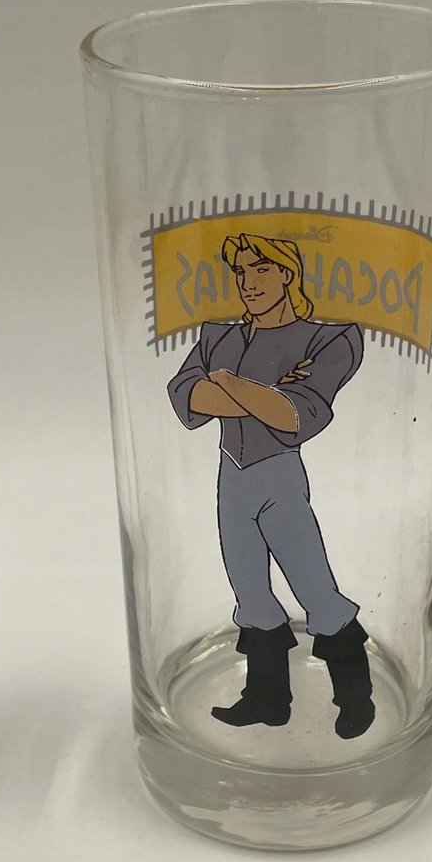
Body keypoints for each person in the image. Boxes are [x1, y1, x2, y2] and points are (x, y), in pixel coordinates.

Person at [167, 231, 374, 738]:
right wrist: (266, 395)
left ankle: (356, 699)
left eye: (261, 269)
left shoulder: (328, 337)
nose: (249, 282)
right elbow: (186, 396)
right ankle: (266, 700)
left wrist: (227, 382)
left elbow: (297, 416)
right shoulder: (218, 336)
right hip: (231, 475)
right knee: (250, 592)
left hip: (278, 474)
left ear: (286, 272)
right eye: (241, 271)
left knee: (316, 592)